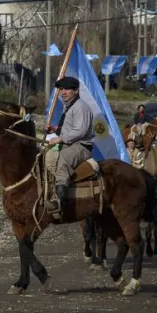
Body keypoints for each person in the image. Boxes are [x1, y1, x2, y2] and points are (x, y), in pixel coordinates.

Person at [43, 76, 95, 222]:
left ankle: (59, 202)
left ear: (76, 90)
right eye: (61, 89)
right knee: (45, 156)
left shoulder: (81, 107)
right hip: (68, 144)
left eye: (67, 89)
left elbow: (80, 131)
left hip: (81, 146)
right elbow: (68, 129)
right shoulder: (69, 106)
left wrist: (59, 138)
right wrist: (54, 129)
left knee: (62, 159)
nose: (63, 92)